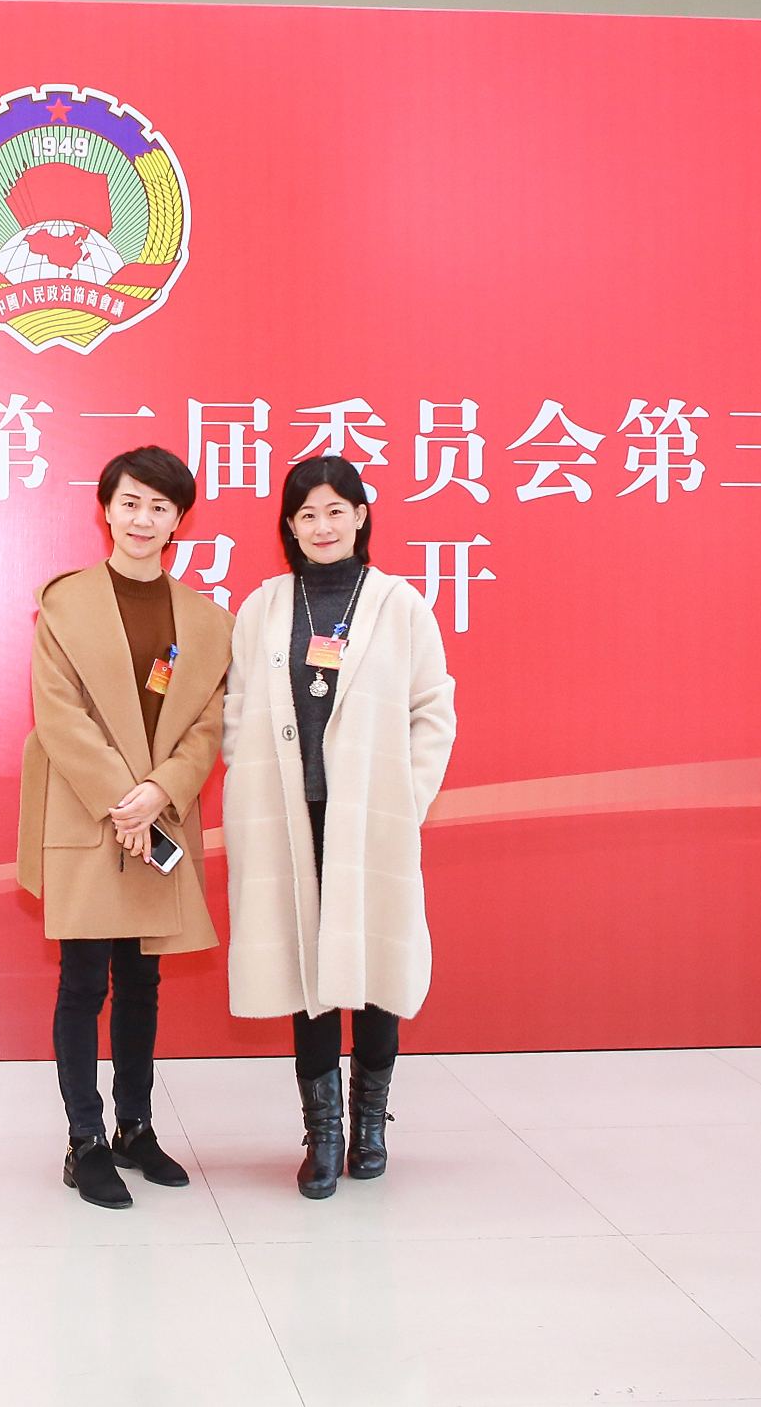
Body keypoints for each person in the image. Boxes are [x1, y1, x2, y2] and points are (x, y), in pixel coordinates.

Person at [221, 455, 457, 1198]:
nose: (321, 526)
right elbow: (236, 710)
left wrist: (405, 800)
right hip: (292, 814)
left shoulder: (399, 605)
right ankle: (322, 1132)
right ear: (289, 527)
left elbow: (433, 710)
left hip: (371, 818)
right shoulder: (264, 606)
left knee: (378, 964)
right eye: (306, 514)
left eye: (334, 510)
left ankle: (371, 1123)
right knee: (309, 973)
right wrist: (247, 773)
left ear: (360, 515)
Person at [18, 445, 233, 1209]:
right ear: (106, 508)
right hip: (90, 812)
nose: (143, 518)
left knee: (142, 981)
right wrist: (124, 799)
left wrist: (159, 791)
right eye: (130, 502)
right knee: (83, 982)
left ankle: (133, 1128)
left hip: (158, 815)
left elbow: (207, 724)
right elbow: (59, 715)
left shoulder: (207, 621)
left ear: (179, 520)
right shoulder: (65, 603)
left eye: (160, 506)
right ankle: (84, 1140)